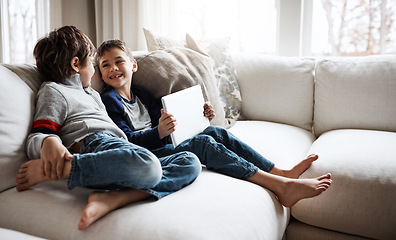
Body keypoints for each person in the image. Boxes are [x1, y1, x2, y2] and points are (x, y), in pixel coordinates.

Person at [97, 39, 333, 208]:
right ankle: (280, 186)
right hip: (146, 156)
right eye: (105, 65)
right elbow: (127, 140)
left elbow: (169, 125)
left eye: (119, 61)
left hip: (160, 145)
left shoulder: (141, 94)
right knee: (203, 144)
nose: (113, 68)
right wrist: (159, 132)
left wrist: (199, 117)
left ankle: (280, 171)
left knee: (214, 132)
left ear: (133, 65)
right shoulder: (110, 100)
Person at [15, 26, 201, 231]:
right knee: (149, 166)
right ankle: (65, 170)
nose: (94, 70)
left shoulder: (92, 94)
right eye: (93, 64)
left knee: (190, 161)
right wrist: (49, 141)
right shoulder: (54, 90)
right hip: (95, 144)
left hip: (117, 150)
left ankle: (116, 197)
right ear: (76, 64)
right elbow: (39, 133)